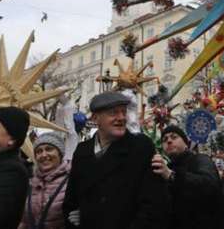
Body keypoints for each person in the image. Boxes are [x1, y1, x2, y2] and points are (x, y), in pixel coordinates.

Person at [63, 91, 168, 229]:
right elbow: (71, 201)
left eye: (123, 112)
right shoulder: (82, 151)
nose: (121, 118)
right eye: (113, 113)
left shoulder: (141, 147)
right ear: (95, 118)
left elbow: (153, 203)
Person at [151, 125, 222, 229]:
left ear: (186, 143)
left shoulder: (200, 159)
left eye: (174, 137)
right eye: (164, 139)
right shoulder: (166, 169)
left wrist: (172, 176)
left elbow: (210, 186)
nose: (169, 141)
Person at [18, 132, 72, 229]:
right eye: (39, 151)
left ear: (60, 153)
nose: (43, 155)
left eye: (49, 149)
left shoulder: (73, 181)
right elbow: (24, 220)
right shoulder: (31, 182)